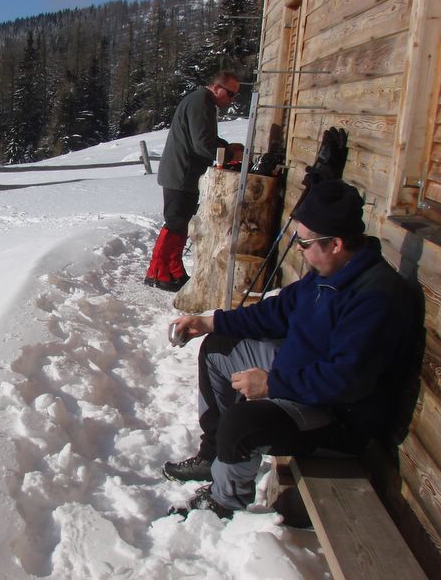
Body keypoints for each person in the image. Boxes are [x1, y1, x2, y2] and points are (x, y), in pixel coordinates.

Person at [161, 180, 420, 518]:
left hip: (335, 417)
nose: (298, 247)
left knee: (241, 424)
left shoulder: (375, 298)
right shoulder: (328, 273)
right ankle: (213, 456)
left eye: (305, 241)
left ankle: (224, 502)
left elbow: (346, 380)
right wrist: (209, 323)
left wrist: (271, 384)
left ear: (337, 244)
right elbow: (276, 313)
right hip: (298, 375)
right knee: (218, 350)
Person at [144, 70, 241, 292]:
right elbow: (202, 144)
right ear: (217, 87)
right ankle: (160, 273)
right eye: (230, 94)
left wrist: (224, 146)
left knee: (179, 223)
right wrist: (229, 153)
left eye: (234, 95)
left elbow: (201, 138)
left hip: (182, 172)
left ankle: (167, 272)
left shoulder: (202, 102)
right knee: (176, 223)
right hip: (182, 173)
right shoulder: (201, 102)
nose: (231, 100)